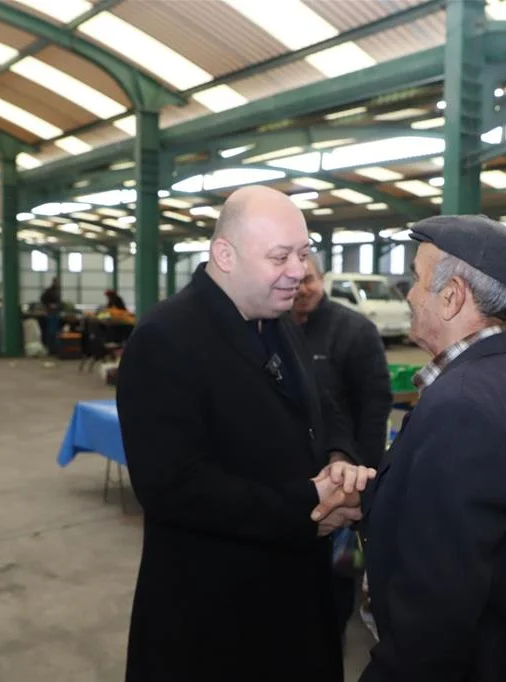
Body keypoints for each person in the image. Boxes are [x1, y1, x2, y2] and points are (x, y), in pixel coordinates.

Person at [116, 185, 375, 682]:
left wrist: (339, 455)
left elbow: (323, 405)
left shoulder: (276, 321)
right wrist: (306, 504)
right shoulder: (166, 340)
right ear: (224, 254)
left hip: (296, 597)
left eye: (303, 254)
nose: (298, 272)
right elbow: (171, 486)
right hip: (215, 615)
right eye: (280, 256)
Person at [357, 215, 506, 682]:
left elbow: (436, 610)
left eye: (417, 281)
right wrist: (367, 500)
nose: (410, 295)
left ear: (453, 295)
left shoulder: (462, 405)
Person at [292, 252, 393, 643]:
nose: (301, 289)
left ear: (323, 279)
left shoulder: (354, 330)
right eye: (295, 280)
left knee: (337, 571)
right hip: (299, 476)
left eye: (310, 279)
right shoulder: (277, 325)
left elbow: (376, 405)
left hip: (343, 470)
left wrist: (358, 476)